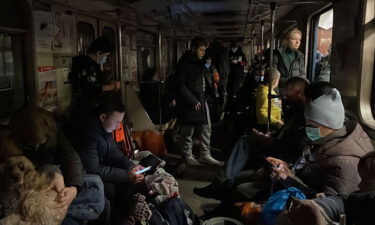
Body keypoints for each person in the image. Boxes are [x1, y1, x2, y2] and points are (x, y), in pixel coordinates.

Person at [194, 76, 309, 202]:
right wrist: (269, 136)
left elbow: (289, 145)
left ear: (300, 93)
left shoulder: (304, 118)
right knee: (246, 139)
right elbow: (284, 134)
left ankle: (220, 183)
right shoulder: (295, 112)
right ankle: (221, 182)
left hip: (280, 156)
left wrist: (270, 140)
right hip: (277, 146)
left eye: (289, 94)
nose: (285, 96)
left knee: (246, 142)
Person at [267, 82, 373, 196]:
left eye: (312, 126)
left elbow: (327, 206)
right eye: (307, 124)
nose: (308, 130)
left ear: (329, 123)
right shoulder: (324, 142)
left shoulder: (344, 163)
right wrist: (288, 170)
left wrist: (288, 179)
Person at [8, 107, 109, 225]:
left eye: (41, 144)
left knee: (103, 200)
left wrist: (74, 188)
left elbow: (71, 157)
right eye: (31, 145)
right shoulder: (12, 146)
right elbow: (29, 172)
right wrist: (54, 172)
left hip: (59, 180)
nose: (36, 147)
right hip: (37, 189)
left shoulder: (53, 133)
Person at [71, 94, 145, 224]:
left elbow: (113, 152)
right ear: (103, 117)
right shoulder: (89, 133)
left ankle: (124, 218)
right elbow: (93, 169)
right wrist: (126, 175)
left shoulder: (105, 129)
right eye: (116, 122)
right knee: (110, 188)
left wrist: (129, 166)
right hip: (85, 175)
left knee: (128, 181)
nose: (118, 126)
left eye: (120, 122)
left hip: (98, 167)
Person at [174, 36, 223, 166]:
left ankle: (205, 154)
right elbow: (180, 85)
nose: (203, 53)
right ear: (193, 48)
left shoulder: (199, 62)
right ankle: (187, 155)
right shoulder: (184, 63)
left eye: (204, 50)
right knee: (187, 131)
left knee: (206, 128)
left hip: (200, 99)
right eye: (201, 50)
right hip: (188, 102)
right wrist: (192, 100)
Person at [69, 36, 120, 126]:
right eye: (106, 56)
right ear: (99, 53)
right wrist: (113, 86)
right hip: (88, 110)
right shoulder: (90, 66)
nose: (106, 60)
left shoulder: (78, 61)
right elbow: (93, 88)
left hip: (78, 108)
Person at [255, 68, 283, 132]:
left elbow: (272, 105)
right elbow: (261, 112)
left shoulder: (270, 90)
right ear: (275, 81)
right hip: (267, 125)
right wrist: (275, 122)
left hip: (273, 122)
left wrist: (278, 103)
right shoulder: (264, 93)